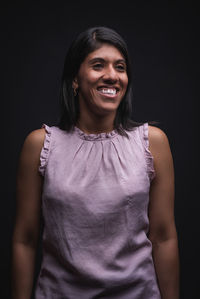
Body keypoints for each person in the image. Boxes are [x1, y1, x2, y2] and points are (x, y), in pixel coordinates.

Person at [12, 26, 179, 299]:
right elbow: (25, 239)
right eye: (98, 65)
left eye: (120, 67)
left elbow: (163, 237)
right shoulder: (40, 145)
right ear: (75, 79)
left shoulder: (152, 143)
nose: (112, 76)